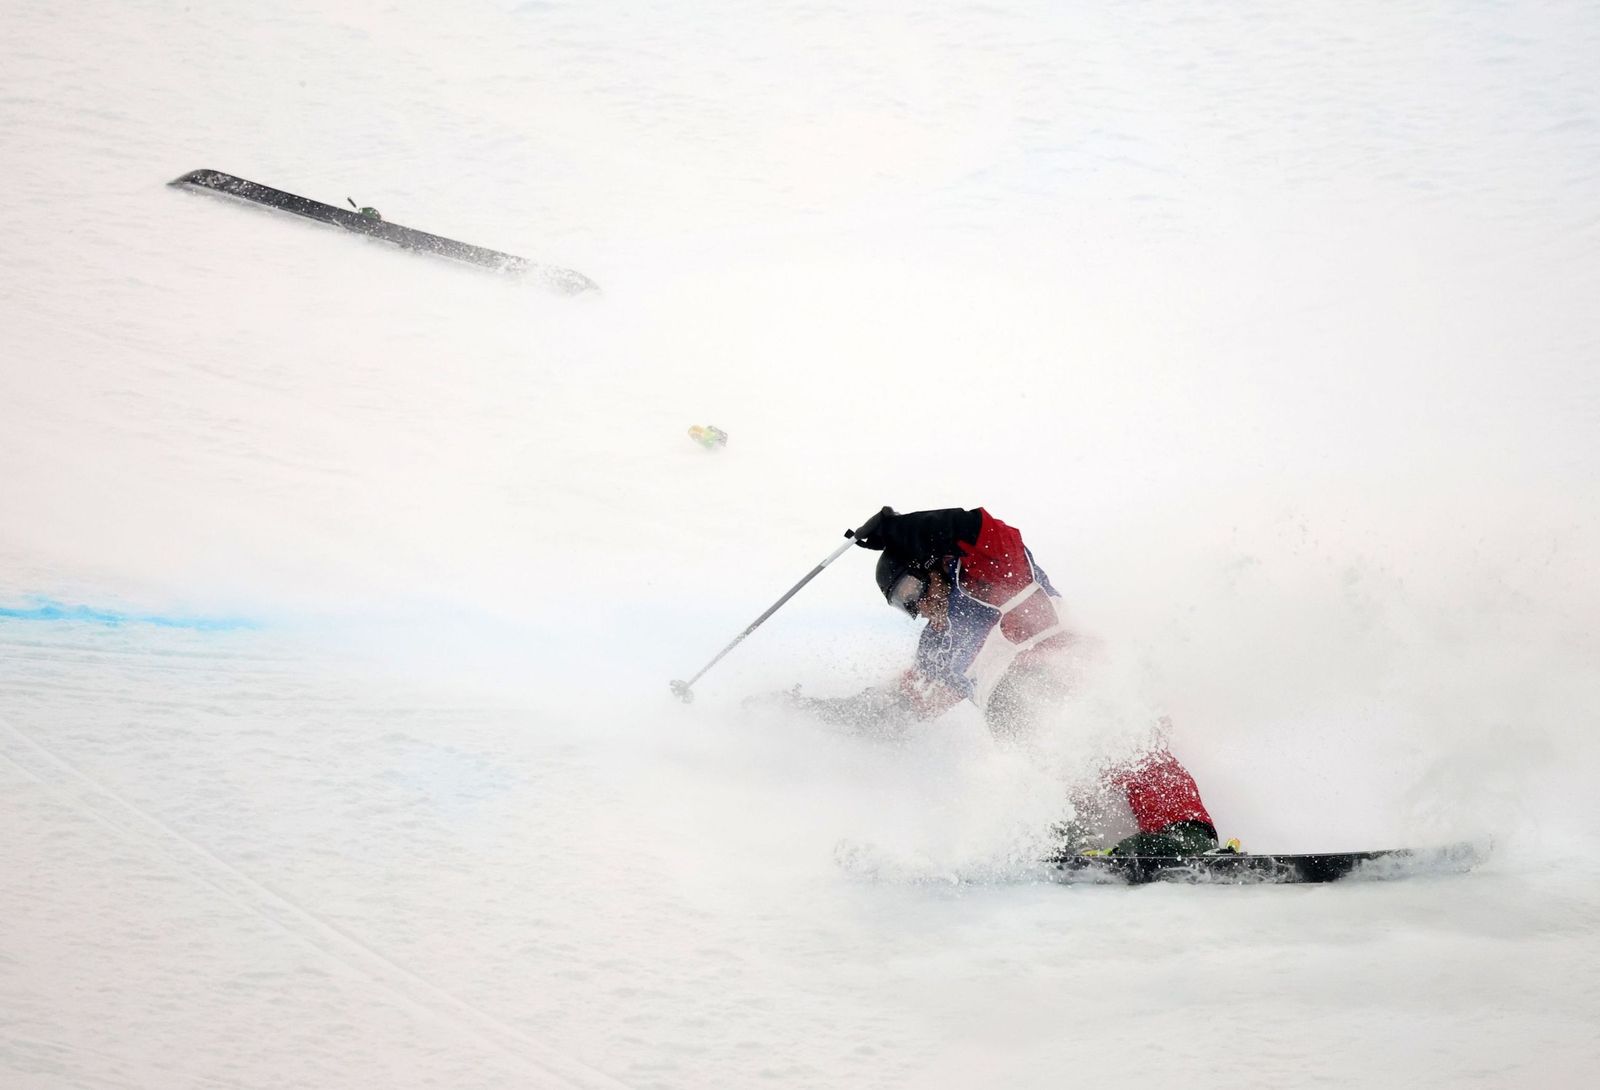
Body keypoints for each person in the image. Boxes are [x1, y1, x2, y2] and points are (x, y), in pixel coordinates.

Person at [783, 505, 1225, 858]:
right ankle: (1074, 842)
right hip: (1017, 717)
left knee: (1125, 742)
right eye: (903, 605)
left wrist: (900, 531)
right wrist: (812, 713)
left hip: (1072, 673)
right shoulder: (938, 647)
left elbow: (978, 527)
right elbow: (904, 704)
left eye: (911, 590)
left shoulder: (988, 574)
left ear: (932, 565)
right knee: (1044, 766)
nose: (916, 607)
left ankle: (1181, 832)